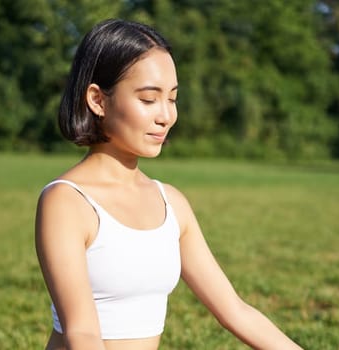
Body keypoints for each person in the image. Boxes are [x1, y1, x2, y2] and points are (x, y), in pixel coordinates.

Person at [34, 19, 302, 350]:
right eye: (148, 99)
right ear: (97, 100)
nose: (166, 116)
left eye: (172, 99)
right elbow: (82, 333)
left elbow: (235, 312)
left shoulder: (171, 203)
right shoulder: (66, 202)